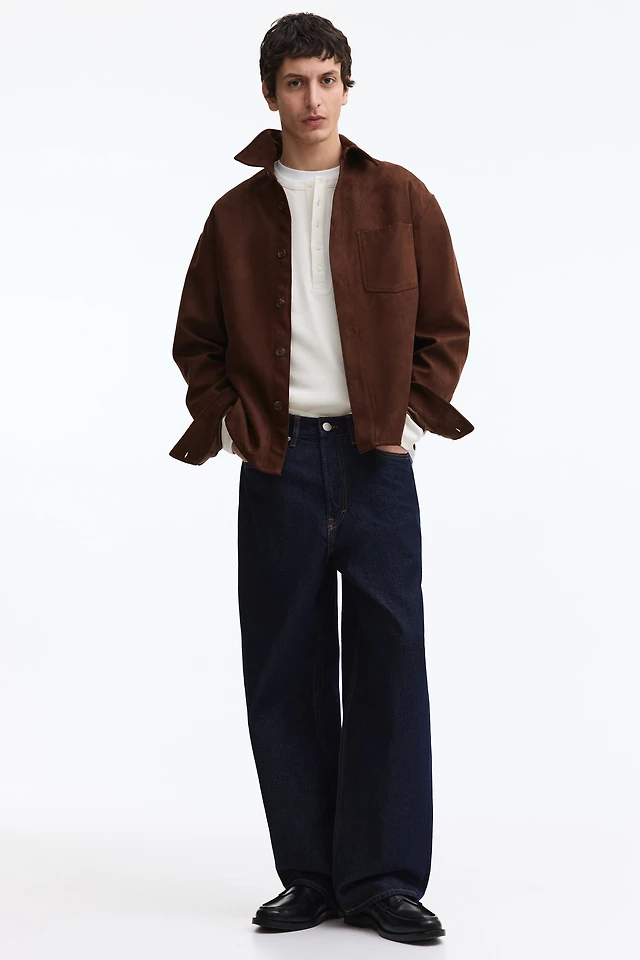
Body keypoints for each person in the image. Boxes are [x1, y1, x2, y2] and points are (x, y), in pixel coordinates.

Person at [170, 12, 473, 944]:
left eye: (327, 80)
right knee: (286, 671)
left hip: (376, 463)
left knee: (389, 667)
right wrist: (235, 424)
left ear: (348, 88)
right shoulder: (235, 215)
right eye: (295, 82)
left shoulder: (401, 198)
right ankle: (309, 875)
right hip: (279, 464)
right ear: (270, 94)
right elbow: (197, 341)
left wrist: (406, 423)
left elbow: (445, 325)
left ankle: (382, 880)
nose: (312, 99)